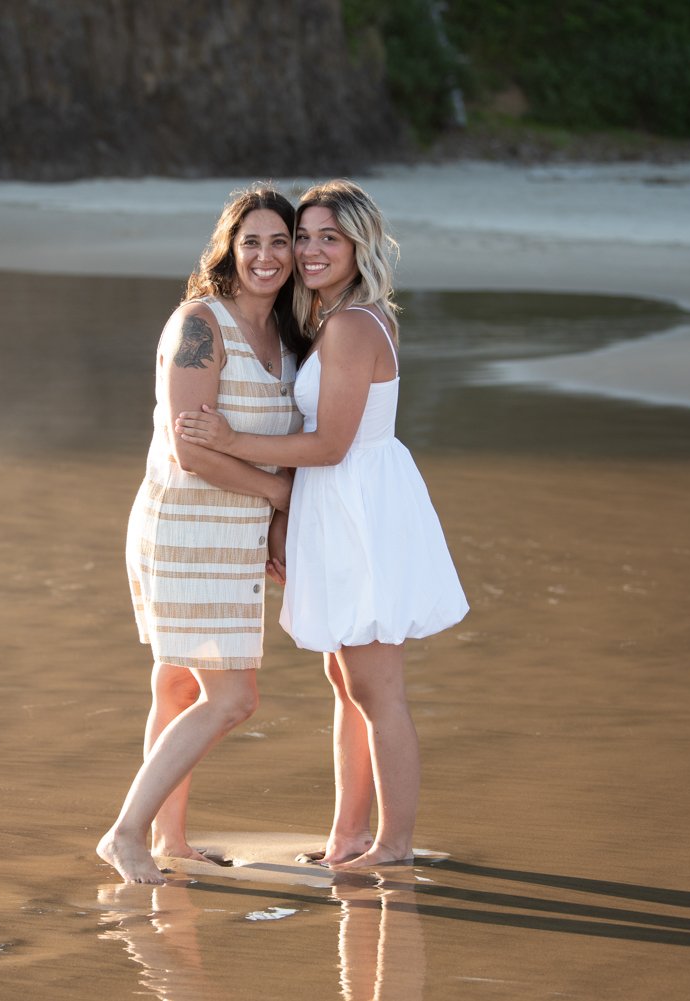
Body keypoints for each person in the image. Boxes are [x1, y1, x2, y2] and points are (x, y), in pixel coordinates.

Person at [176, 179, 468, 870]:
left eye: (324, 237)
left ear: (358, 245)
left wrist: (225, 439)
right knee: (348, 682)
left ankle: (392, 843)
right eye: (301, 235)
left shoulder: (350, 326)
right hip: (340, 505)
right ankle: (347, 835)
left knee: (376, 686)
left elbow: (330, 444)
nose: (307, 250)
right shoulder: (343, 319)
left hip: (357, 504)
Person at [98, 185, 308, 884]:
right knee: (233, 697)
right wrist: (281, 496)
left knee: (178, 689)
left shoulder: (288, 338)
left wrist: (273, 517)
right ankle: (126, 833)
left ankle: (171, 841)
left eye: (281, 241)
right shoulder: (200, 323)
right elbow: (190, 451)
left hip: (236, 529)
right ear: (229, 248)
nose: (267, 255)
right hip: (186, 525)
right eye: (252, 241)